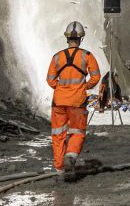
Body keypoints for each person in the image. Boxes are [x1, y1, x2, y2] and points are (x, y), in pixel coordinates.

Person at [46, 21, 101, 178]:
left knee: (58, 134)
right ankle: (70, 157)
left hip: (59, 102)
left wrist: (61, 88)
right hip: (77, 101)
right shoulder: (87, 56)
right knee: (77, 132)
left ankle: (59, 169)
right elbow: (96, 76)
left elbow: (50, 80)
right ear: (81, 39)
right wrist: (84, 87)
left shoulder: (56, 57)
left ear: (67, 38)